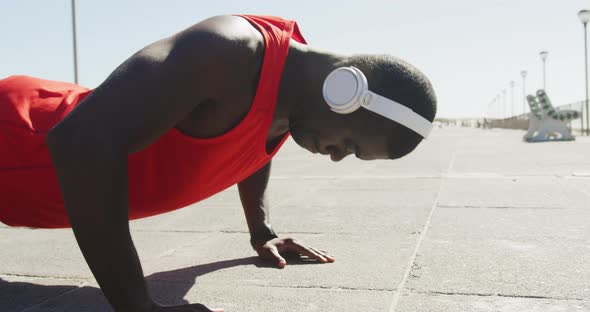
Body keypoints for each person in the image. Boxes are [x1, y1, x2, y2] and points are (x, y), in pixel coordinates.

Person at [0, 14, 436, 312]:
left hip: (33, 190)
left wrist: (260, 230)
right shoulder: (227, 51)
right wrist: (135, 304)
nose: (338, 156)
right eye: (352, 145)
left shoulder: (298, 99)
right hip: (16, 136)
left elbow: (255, 139)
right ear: (346, 91)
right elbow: (80, 141)